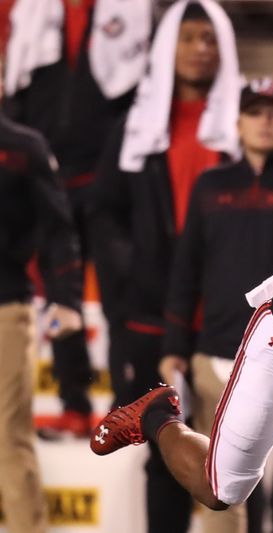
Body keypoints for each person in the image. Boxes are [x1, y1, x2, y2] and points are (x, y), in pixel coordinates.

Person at [89, 2, 241, 532]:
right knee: (163, 448)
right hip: (152, 315)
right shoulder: (135, 123)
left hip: (228, 317)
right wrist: (136, 271)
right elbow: (102, 211)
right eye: (190, 38)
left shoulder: (245, 126)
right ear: (166, 47)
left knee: (240, 457)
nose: (202, 50)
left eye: (210, 39)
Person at [159, 77, 273, 533]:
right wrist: (174, 344)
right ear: (238, 123)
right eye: (254, 112)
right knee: (219, 495)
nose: (265, 121)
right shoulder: (211, 185)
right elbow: (186, 269)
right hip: (218, 358)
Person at [4, 0, 151, 437]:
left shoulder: (136, 13)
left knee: (119, 296)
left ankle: (127, 405)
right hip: (49, 181)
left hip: (107, 184)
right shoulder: (28, 12)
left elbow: (143, 98)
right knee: (60, 296)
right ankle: (73, 404)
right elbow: (17, 92)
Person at [0, 75, 83, 532]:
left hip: (5, 308)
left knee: (6, 438)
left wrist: (67, 299)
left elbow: (57, 228)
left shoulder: (23, 146)